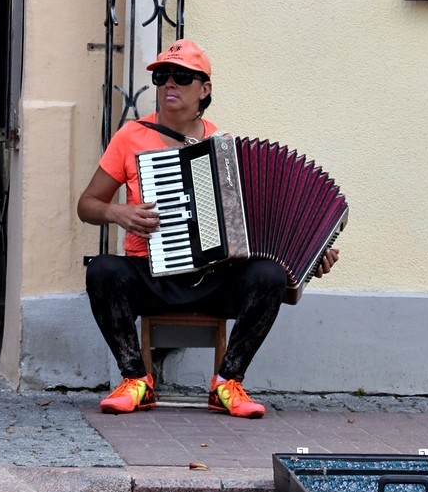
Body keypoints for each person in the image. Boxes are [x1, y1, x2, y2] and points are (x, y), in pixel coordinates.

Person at [77, 39, 338, 418]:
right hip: (151, 277)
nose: (170, 83)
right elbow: (87, 205)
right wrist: (121, 214)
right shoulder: (130, 137)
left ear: (205, 90)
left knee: (269, 273)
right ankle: (135, 379)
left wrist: (311, 256)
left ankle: (227, 382)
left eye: (182, 77)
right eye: (163, 76)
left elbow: (257, 230)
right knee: (101, 270)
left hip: (213, 281)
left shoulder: (223, 148)